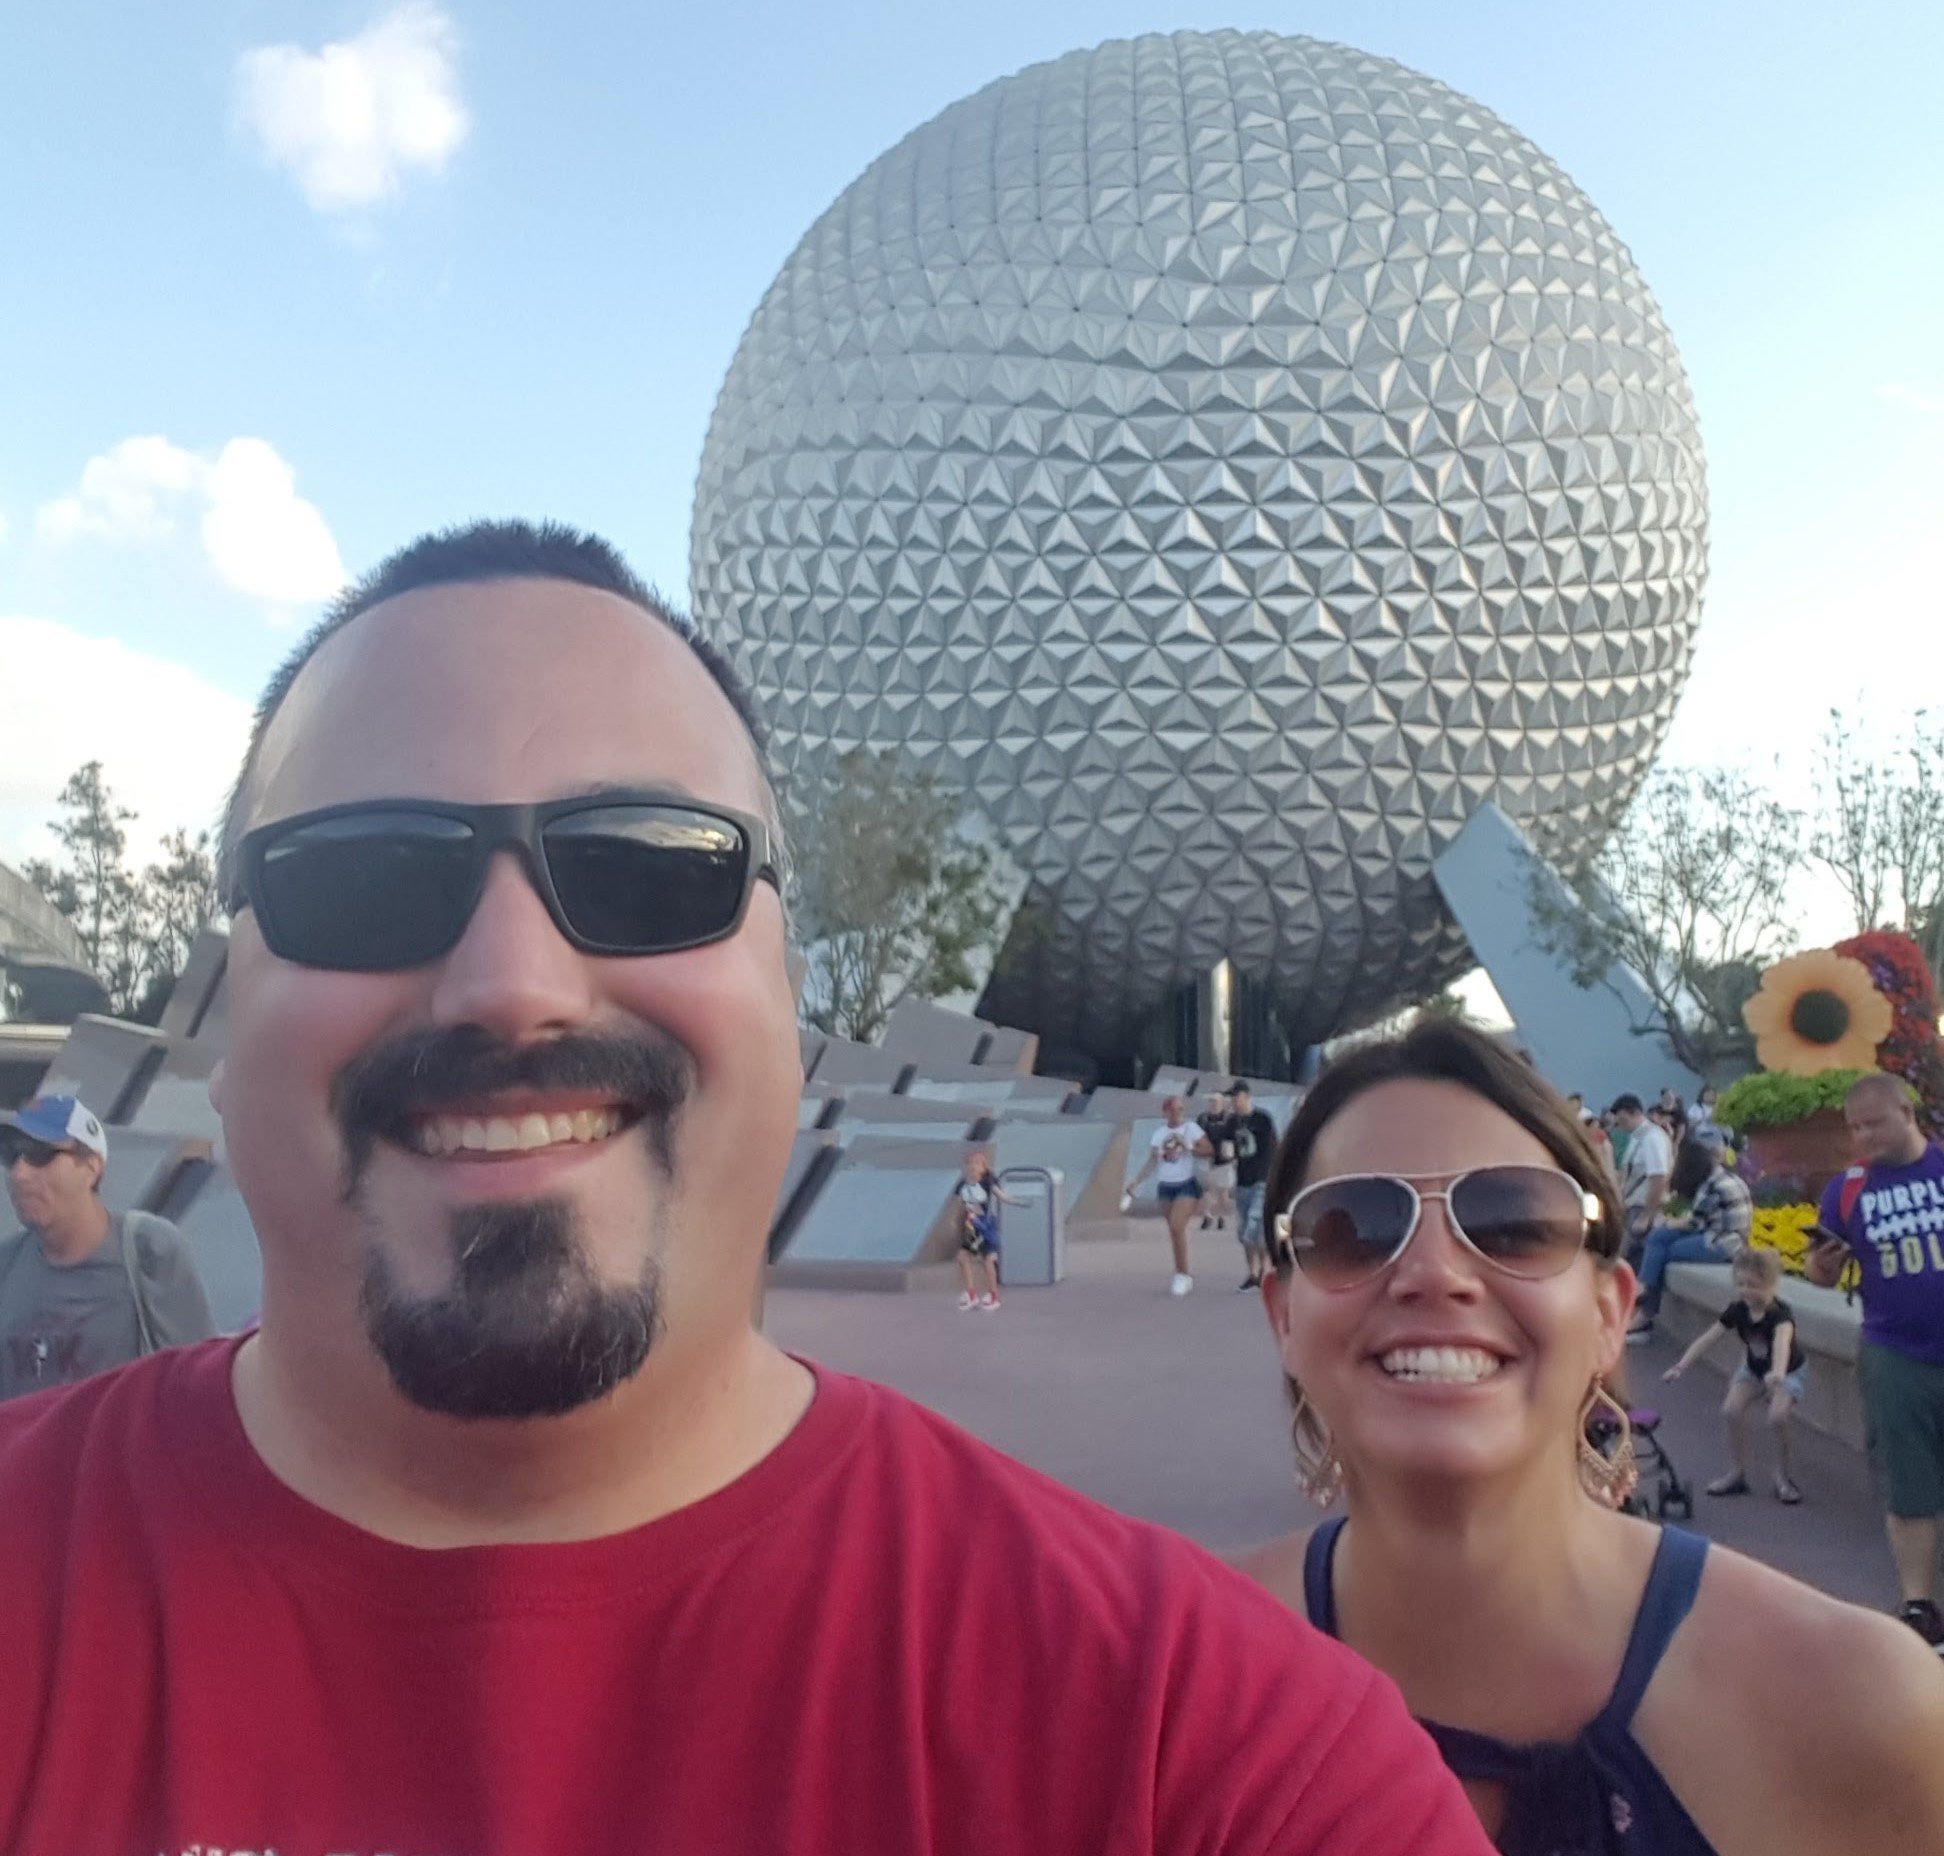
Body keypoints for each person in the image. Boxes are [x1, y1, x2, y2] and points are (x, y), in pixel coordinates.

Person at [0, 522, 1489, 1853]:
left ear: (790, 988)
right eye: (364, 877)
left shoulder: (1197, 1759)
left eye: (652, 868)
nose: (513, 984)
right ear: (218, 993)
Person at [1234, 1017, 1944, 1854]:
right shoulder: (1179, 1682)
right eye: (1352, 1225)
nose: (1432, 1273)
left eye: (1512, 1221)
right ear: (1284, 1313)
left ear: (1609, 1311)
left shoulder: (1860, 1706)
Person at [1807, 1072, 1944, 1650]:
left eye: (1873, 1123)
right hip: (1895, 1352)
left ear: (1906, 1112)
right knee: (1909, 1481)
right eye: (1855, 1127)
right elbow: (1816, 1269)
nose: (1863, 1136)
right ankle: (1919, 1605)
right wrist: (1828, 1264)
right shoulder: (1847, 1189)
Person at [1, 1094, 214, 1399]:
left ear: (91, 1167)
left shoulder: (148, 1252)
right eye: (11, 1156)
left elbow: (197, 1383)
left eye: (41, 1154)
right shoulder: (7, 1266)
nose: (20, 1174)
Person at [1663, 1245, 1804, 1504]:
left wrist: (1778, 1374)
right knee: (1730, 1410)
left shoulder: (1780, 1315)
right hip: (1753, 1368)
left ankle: (1782, 1477)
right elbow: (1709, 1338)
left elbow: (1782, 1344)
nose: (1746, 1291)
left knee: (1777, 1417)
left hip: (1787, 1371)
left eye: (1754, 1285)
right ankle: (1736, 1473)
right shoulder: (1738, 1309)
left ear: (1771, 1284)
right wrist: (1681, 1365)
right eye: (1741, 1284)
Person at [1626, 1137, 1751, 1341]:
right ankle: (1645, 1294)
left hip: (1721, 1244)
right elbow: (1703, 1218)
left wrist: (1667, 1222)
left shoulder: (1710, 1186)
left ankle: (1645, 1309)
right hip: (1724, 1235)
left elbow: (1693, 1223)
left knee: (1663, 1249)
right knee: (1659, 1239)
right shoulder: (1725, 1177)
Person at [1125, 1095, 1213, 1296]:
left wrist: (1189, 1145)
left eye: (1181, 1109)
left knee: (1177, 1225)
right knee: (1175, 1232)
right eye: (1173, 1110)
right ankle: (1182, 1272)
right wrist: (1136, 1181)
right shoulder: (1159, 1134)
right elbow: (1152, 1161)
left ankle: (1182, 1275)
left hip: (1187, 1184)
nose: (1178, 1114)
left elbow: (1208, 1149)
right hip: (1166, 1186)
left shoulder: (1191, 1129)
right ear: (1165, 1112)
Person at [1230, 1082, 1279, 1291]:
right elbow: (1224, 1145)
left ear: (1246, 1096)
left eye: (1236, 1097)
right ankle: (1253, 1273)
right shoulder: (1232, 1121)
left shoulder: (1263, 1119)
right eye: (1232, 1098)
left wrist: (1271, 1174)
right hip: (1242, 1181)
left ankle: (1267, 1270)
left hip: (1262, 1179)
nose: (1233, 1101)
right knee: (1244, 1232)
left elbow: (1272, 1146)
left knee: (1253, 1229)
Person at [953, 1147, 1014, 1311]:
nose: (973, 1167)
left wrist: (1009, 1199)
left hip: (984, 1226)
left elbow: (999, 1194)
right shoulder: (963, 1185)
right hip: (972, 1228)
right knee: (964, 1257)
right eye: (971, 1164)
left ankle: (990, 1296)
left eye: (977, 1164)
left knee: (987, 1259)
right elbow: (962, 1205)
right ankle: (972, 1294)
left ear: (983, 1167)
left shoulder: (988, 1182)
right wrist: (956, 1220)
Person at [1610, 1092, 1670, 1255]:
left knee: (1630, 1256)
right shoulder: (1637, 1138)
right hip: (1631, 1205)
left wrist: (1647, 1215)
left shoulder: (1652, 1138)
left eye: (1623, 1120)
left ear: (1636, 1113)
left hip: (1642, 1207)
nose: (1621, 1125)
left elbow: (1658, 1176)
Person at [1201, 1090, 1238, 1232]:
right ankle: (1207, 1215)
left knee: (1223, 1191)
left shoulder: (1229, 1119)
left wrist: (1234, 1157)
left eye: (1216, 1102)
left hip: (1224, 1159)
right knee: (1207, 1189)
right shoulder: (1204, 1119)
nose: (1213, 1104)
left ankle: (1222, 1216)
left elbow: (1235, 1138)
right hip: (1208, 1159)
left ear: (1222, 1104)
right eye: (1211, 1101)